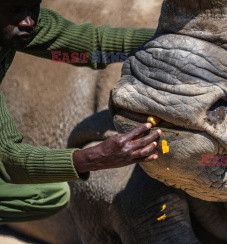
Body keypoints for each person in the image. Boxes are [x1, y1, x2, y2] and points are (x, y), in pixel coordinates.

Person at [0, 0, 160, 224]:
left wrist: (173, 40)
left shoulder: (19, 24)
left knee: (50, 194)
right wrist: (94, 157)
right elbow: (9, 159)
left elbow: (93, 45)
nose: (28, 21)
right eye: (16, 9)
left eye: (33, 7)